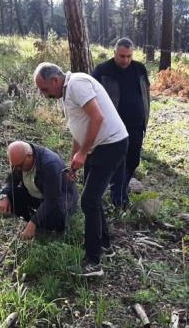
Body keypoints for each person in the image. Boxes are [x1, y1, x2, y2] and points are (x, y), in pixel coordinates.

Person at [34, 62, 129, 277]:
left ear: (55, 80)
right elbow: (81, 127)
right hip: (99, 145)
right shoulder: (67, 92)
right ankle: (104, 244)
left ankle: (94, 262)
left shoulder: (77, 84)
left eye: (44, 89)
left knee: (89, 200)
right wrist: (75, 159)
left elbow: (98, 117)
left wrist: (84, 153)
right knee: (92, 198)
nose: (44, 94)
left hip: (111, 145)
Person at [92, 37, 150, 208]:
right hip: (114, 127)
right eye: (122, 56)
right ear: (115, 53)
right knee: (118, 161)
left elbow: (146, 92)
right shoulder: (103, 71)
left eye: (129, 56)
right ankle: (118, 197)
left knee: (133, 160)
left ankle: (121, 189)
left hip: (137, 125)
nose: (125, 60)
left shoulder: (140, 69)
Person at [0, 141, 78, 240]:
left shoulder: (50, 165)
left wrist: (33, 222)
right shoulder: (19, 161)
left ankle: (46, 230)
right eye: (14, 166)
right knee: (11, 195)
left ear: (29, 156)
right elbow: (10, 181)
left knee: (55, 216)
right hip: (36, 196)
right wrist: (3, 195)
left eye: (20, 166)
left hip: (58, 201)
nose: (17, 169)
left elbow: (52, 200)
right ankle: (31, 220)